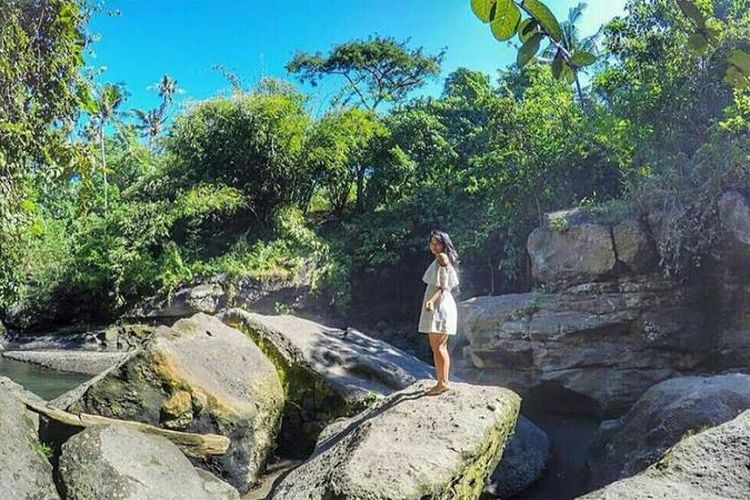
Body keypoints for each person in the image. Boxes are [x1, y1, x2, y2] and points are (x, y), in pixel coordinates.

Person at [418, 228, 460, 396]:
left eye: (437, 243)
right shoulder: (440, 258)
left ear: (444, 245)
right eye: (432, 243)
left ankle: (443, 383)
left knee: (439, 347)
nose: (434, 246)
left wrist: (431, 301)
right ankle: (441, 381)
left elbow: (443, 286)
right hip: (440, 305)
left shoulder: (442, 258)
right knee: (438, 347)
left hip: (440, 306)